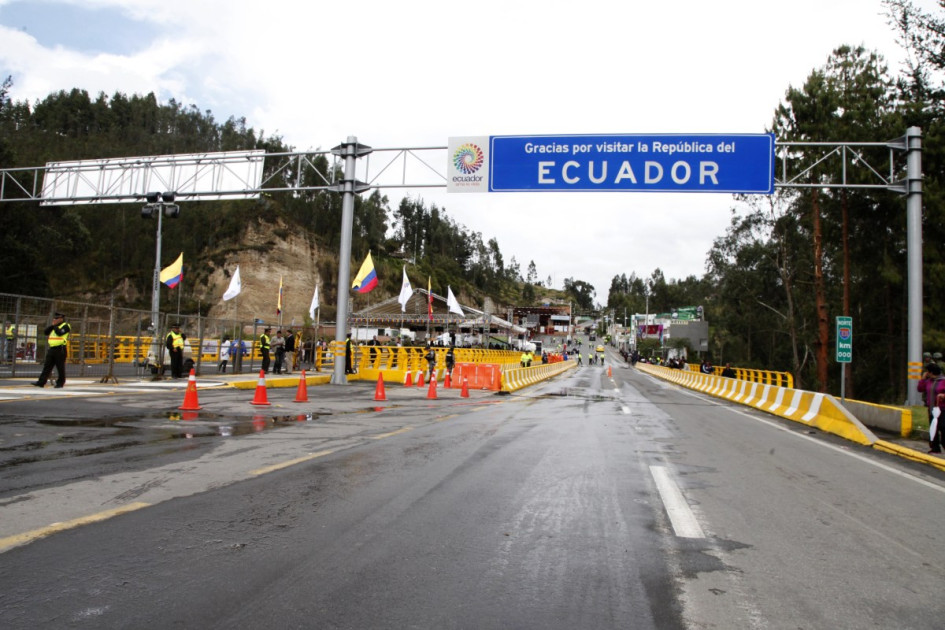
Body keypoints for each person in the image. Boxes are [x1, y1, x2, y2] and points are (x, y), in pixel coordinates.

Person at [32, 312, 71, 388]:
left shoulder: (66, 326)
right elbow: (46, 332)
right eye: (54, 318)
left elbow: (60, 333)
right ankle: (41, 382)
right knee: (47, 366)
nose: (55, 319)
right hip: (52, 349)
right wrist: (53, 326)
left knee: (60, 367)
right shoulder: (54, 326)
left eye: (57, 318)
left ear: (61, 319)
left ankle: (60, 383)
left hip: (60, 349)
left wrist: (55, 326)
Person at [918, 363, 945, 454]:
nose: (926, 373)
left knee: (942, 427)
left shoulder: (943, 381)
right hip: (932, 409)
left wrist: (943, 396)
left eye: (927, 372)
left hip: (942, 409)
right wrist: (923, 379)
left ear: (931, 372)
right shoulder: (929, 381)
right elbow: (920, 389)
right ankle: (935, 447)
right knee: (933, 428)